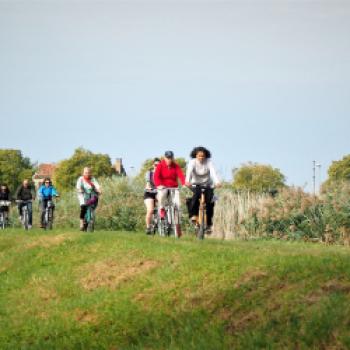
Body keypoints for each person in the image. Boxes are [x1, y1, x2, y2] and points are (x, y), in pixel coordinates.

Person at [185, 146, 221, 233]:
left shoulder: (209, 162)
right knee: (194, 197)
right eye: (199, 156)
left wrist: (217, 182)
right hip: (195, 184)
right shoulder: (192, 162)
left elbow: (213, 172)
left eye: (203, 156)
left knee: (210, 203)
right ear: (195, 156)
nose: (201, 158)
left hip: (207, 184)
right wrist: (187, 181)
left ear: (205, 156)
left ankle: (208, 224)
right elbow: (189, 172)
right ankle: (193, 215)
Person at [154, 151, 185, 219]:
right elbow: (156, 177)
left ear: (173, 158)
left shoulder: (176, 166)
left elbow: (181, 175)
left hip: (174, 187)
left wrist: (184, 184)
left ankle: (176, 219)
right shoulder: (160, 165)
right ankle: (162, 209)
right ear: (164, 158)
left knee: (178, 203)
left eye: (171, 158)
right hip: (163, 187)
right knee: (162, 194)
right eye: (168, 158)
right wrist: (159, 185)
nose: (169, 160)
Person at [144, 158, 160, 234]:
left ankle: (163, 221)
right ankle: (148, 227)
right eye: (155, 165)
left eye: (159, 165)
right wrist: (148, 186)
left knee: (163, 205)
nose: (157, 166)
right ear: (153, 165)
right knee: (150, 210)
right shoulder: (149, 173)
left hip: (159, 193)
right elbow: (148, 183)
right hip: (149, 193)